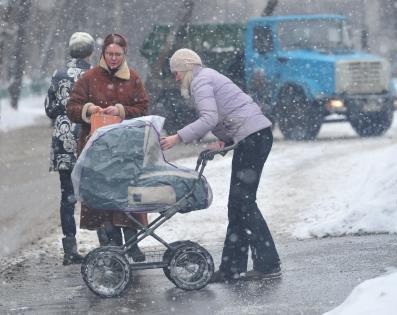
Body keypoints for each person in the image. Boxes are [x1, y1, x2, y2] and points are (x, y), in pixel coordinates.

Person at [160, 48, 281, 282]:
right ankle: (232, 268)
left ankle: (267, 264)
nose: (175, 77)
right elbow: (232, 111)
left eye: (176, 72)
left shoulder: (200, 80)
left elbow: (209, 118)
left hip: (253, 138)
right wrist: (223, 141)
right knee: (238, 204)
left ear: (185, 68)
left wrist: (177, 137)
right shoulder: (207, 77)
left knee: (243, 202)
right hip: (254, 137)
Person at [67, 33, 149, 261]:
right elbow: (72, 107)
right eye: (110, 54)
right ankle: (111, 250)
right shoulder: (89, 77)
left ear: (124, 54)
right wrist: (89, 109)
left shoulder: (133, 78)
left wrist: (122, 111)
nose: (113, 58)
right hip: (96, 152)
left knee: (126, 198)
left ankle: (132, 245)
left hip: (125, 151)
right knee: (102, 201)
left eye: (118, 54)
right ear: (103, 53)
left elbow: (143, 108)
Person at [44, 32, 94, 265]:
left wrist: (63, 112)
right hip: (88, 138)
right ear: (90, 51)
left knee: (68, 197)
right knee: (96, 193)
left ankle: (70, 249)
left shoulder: (58, 74)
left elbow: (50, 109)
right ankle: (107, 243)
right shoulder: (95, 74)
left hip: (63, 139)